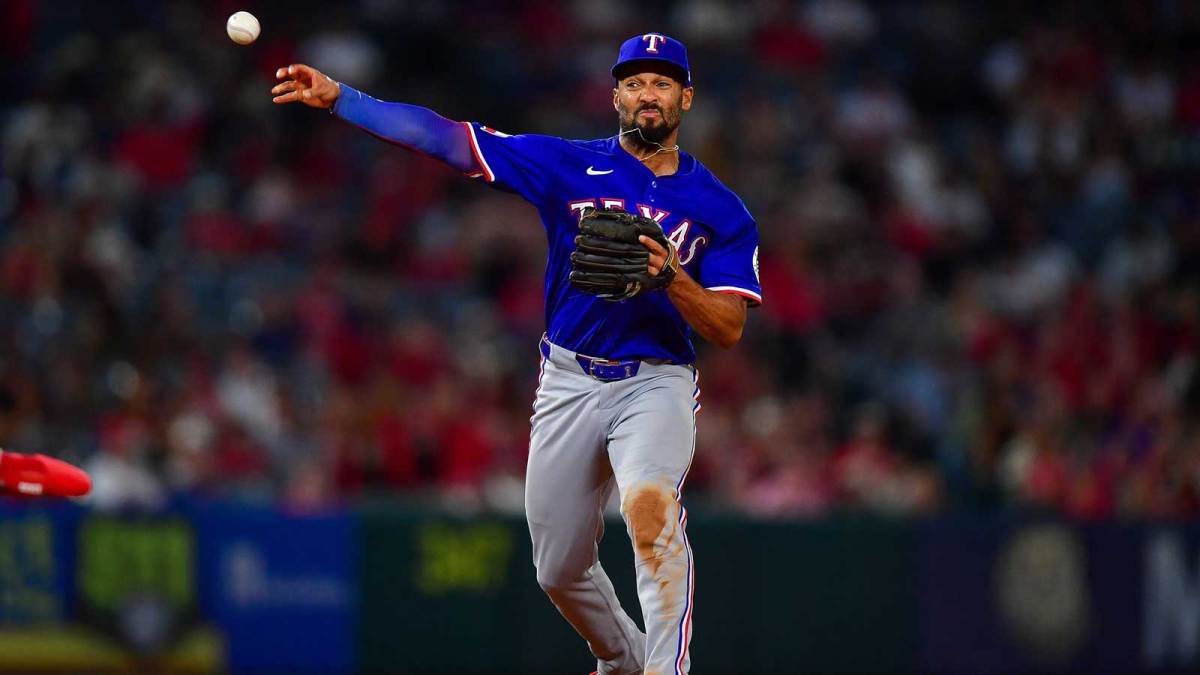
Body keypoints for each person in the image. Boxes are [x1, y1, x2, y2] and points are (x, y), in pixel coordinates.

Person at [272, 32, 761, 675]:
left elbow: (727, 327)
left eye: (662, 83)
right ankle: (621, 658)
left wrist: (673, 278)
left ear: (685, 98)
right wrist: (343, 100)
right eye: (636, 82)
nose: (648, 93)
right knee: (557, 568)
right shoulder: (566, 165)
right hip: (569, 380)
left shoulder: (719, 208)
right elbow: (447, 139)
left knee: (651, 511)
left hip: (656, 382)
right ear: (616, 95)